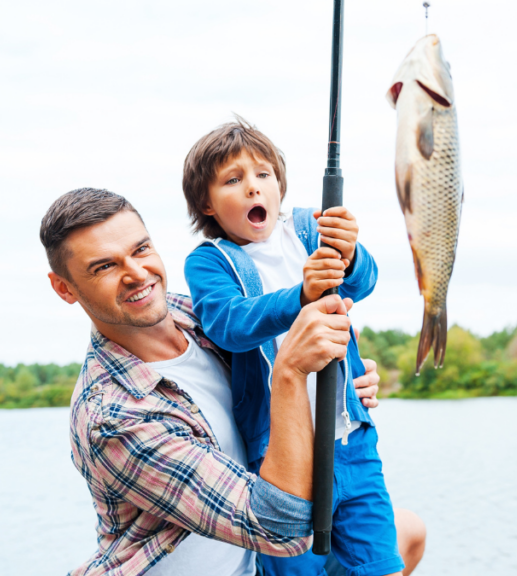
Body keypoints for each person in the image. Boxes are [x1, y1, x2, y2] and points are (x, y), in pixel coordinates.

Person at [40, 188, 424, 576]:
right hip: (266, 539)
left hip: (260, 560)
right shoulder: (112, 417)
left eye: (141, 250)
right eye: (104, 267)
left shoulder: (194, 315)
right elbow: (279, 529)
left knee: (408, 531)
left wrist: (340, 381)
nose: (137, 274)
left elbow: (263, 329)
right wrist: (291, 372)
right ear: (64, 288)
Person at [181, 118, 405, 576]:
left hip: (351, 438)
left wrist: (350, 252)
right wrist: (300, 296)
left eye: (263, 175)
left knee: (378, 563)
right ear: (206, 202)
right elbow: (229, 323)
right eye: (233, 179)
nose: (253, 188)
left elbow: (363, 283)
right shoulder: (210, 260)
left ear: (279, 185)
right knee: (296, 568)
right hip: (280, 456)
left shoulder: (307, 227)